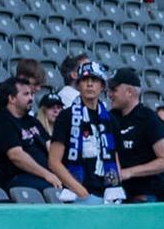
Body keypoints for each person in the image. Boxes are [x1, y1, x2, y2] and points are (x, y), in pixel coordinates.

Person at [0, 77, 58, 200]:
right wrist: (47, 175)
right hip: (16, 179)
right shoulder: (1, 122)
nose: (31, 98)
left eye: (31, 94)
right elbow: (16, 156)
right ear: (12, 98)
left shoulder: (31, 121)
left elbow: (50, 146)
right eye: (26, 94)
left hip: (41, 176)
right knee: (57, 192)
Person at [47, 62, 119, 202]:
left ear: (102, 86)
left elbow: (115, 159)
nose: (89, 84)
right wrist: (81, 192)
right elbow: (54, 161)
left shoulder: (111, 119)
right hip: (78, 194)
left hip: (108, 194)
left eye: (94, 80)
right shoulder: (66, 116)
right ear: (78, 85)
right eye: (85, 80)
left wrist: (117, 187)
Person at [106, 69, 164, 202]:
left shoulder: (149, 118)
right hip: (117, 193)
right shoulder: (110, 117)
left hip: (146, 194)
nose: (109, 94)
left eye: (114, 90)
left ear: (129, 92)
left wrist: (129, 172)